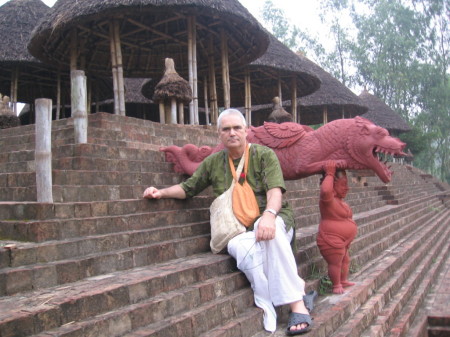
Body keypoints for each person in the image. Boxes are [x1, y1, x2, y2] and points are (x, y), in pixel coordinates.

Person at [143, 109, 315, 335]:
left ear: (246, 131)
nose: (232, 133)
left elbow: (275, 191)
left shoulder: (264, 155)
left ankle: (297, 305)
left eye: (237, 128)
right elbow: (188, 188)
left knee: (270, 235)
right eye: (226, 129)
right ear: (219, 134)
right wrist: (160, 192)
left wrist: (269, 216)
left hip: (275, 219)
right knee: (237, 246)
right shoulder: (214, 162)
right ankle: (284, 292)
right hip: (239, 230)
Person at [316, 160, 357, 294]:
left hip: (343, 240)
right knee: (335, 262)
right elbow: (326, 190)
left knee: (345, 260)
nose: (347, 188)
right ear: (333, 185)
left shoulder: (340, 201)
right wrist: (330, 173)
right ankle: (336, 284)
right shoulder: (327, 199)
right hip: (331, 238)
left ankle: (343, 279)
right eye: (343, 185)